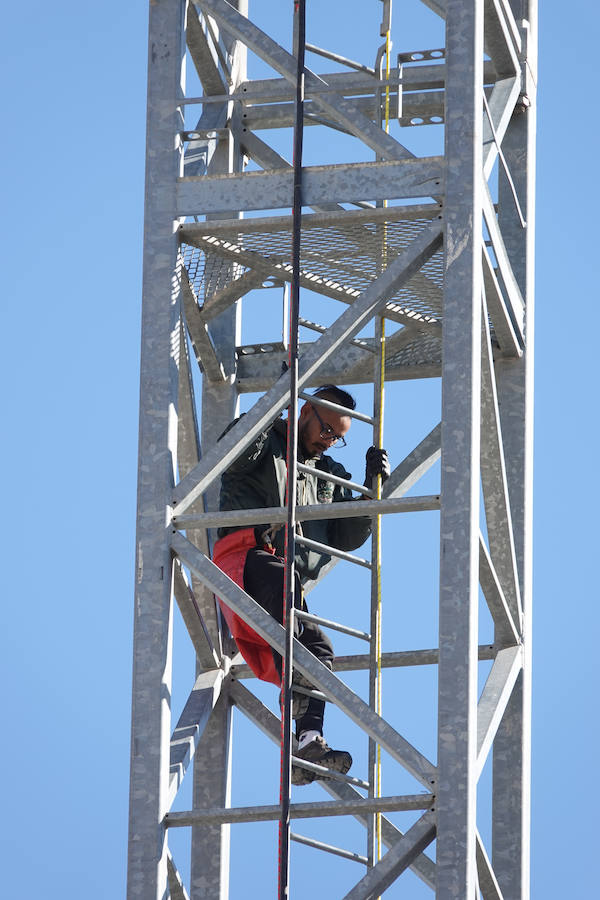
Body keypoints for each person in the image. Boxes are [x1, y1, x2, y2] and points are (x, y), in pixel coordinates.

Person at [212, 385, 390, 784]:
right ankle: (293, 692)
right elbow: (235, 454)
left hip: (282, 580)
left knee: (320, 651)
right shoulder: (267, 441)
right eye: (326, 429)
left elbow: (348, 534)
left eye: (337, 437)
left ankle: (308, 741)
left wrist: (371, 486)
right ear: (305, 410)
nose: (329, 441)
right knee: (288, 603)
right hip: (245, 556)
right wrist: (276, 399)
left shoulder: (327, 475)